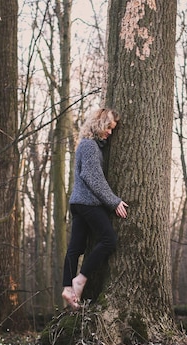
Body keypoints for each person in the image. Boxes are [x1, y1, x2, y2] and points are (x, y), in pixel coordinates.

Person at [61, 108, 128, 309]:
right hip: (88, 202)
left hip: (78, 203)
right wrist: (113, 201)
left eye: (112, 129)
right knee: (109, 240)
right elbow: (92, 177)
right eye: (108, 127)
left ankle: (67, 288)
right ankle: (80, 280)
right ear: (99, 124)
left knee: (76, 248)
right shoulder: (90, 146)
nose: (109, 132)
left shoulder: (87, 145)